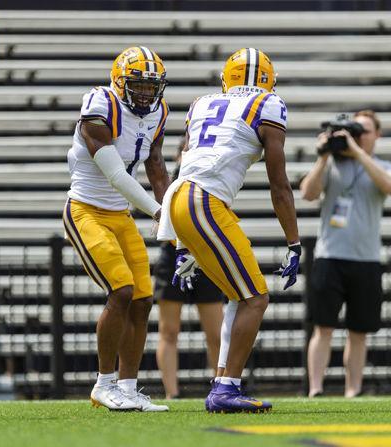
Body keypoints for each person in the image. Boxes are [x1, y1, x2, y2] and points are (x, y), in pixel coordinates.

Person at [157, 47, 300, 413]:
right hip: (204, 201)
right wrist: (294, 242)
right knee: (256, 297)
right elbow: (279, 184)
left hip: (181, 198)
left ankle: (223, 383)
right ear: (268, 80)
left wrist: (183, 241)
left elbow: (190, 160)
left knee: (240, 296)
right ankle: (226, 388)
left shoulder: (202, 103)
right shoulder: (269, 105)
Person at [64, 46, 170, 411]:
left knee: (142, 299)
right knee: (121, 291)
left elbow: (155, 164)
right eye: (138, 85)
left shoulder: (159, 113)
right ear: (119, 81)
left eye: (150, 86)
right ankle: (103, 384)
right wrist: (160, 213)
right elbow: (115, 174)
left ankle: (127, 387)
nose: (145, 93)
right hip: (86, 211)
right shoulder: (100, 106)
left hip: (121, 215)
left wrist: (171, 208)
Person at [300, 110, 391, 398]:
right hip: (330, 256)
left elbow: (389, 186)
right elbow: (307, 193)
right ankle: (316, 389)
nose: (358, 136)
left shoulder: (382, 166)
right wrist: (322, 155)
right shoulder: (331, 165)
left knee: (359, 332)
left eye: (364, 130)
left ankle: (352, 390)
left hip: (366, 259)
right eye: (355, 131)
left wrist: (356, 152)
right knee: (323, 327)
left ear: (377, 135)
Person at [155, 141, 225, 399]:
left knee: (215, 332)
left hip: (205, 255)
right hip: (173, 255)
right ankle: (171, 393)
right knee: (169, 330)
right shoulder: (171, 180)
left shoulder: (213, 178)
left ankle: (221, 387)